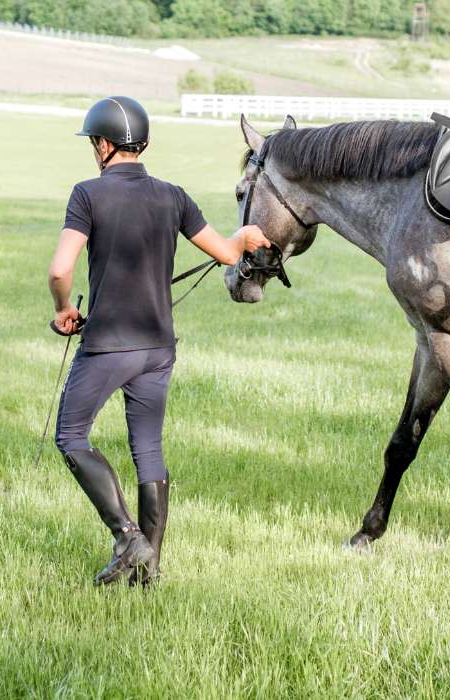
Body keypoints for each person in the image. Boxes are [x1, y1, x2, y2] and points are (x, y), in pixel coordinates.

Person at [48, 96, 272, 587]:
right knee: (147, 448)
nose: (93, 150)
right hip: (158, 347)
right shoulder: (173, 196)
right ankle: (148, 571)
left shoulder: (87, 195)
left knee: (70, 435)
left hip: (108, 345)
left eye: (93, 142)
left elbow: (60, 268)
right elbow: (226, 251)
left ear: (105, 145)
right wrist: (247, 235)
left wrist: (64, 309)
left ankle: (128, 537)